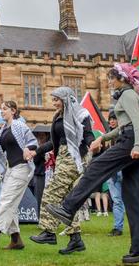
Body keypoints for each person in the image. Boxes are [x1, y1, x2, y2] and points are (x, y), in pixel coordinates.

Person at [45, 63, 139, 264]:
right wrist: (102, 139)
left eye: (112, 78)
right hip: (135, 143)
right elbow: (125, 125)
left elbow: (137, 123)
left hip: (131, 143)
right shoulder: (130, 95)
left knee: (95, 168)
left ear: (121, 78)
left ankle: (68, 208)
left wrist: (136, 145)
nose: (109, 82)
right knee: (134, 200)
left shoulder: (128, 95)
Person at [29, 87, 94, 255]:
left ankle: (49, 232)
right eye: (53, 100)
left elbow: (87, 134)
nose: (54, 103)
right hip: (63, 157)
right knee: (68, 199)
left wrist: (93, 142)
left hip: (75, 157)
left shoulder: (81, 114)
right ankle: (75, 240)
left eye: (56, 99)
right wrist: (36, 151)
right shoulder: (58, 116)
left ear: (66, 98)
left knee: (51, 192)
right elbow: (53, 142)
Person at [0, 101, 37, 250]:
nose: (1, 112)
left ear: (13, 111)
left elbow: (33, 142)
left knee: (5, 201)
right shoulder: (4, 129)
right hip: (10, 170)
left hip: (21, 169)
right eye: (1, 109)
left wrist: (28, 149)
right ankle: (16, 240)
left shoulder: (19, 126)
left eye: (4, 109)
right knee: (11, 204)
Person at [105, 111, 125, 236]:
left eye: (114, 119)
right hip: (113, 173)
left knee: (128, 200)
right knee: (117, 200)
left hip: (123, 171)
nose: (112, 121)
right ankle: (118, 227)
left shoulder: (124, 134)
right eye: (110, 119)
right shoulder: (109, 137)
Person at [29, 127, 49, 224]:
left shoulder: (49, 148)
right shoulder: (36, 148)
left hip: (47, 174)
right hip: (39, 174)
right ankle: (40, 218)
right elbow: (35, 162)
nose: (40, 138)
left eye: (42, 136)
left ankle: (47, 218)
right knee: (39, 197)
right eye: (39, 136)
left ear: (46, 136)